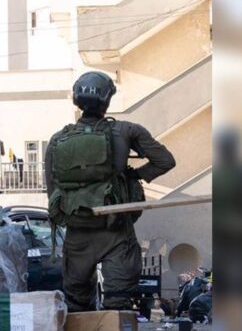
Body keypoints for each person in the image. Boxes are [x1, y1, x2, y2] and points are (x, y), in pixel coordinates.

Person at [45, 71, 176, 311]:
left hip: (77, 232)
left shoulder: (57, 140)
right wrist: (134, 175)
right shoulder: (126, 131)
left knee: (77, 305)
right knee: (118, 303)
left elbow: (52, 191)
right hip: (116, 230)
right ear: (107, 100)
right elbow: (165, 161)